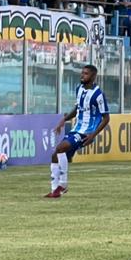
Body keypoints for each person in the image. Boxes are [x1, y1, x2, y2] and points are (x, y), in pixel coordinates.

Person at [47, 64, 110, 199]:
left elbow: (106, 118)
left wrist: (93, 134)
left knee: (60, 148)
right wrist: (64, 120)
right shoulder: (79, 89)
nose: (82, 75)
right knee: (55, 156)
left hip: (86, 132)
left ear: (93, 76)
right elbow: (77, 109)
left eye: (86, 74)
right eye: (82, 73)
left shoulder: (98, 95)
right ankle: (54, 191)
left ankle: (63, 184)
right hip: (76, 129)